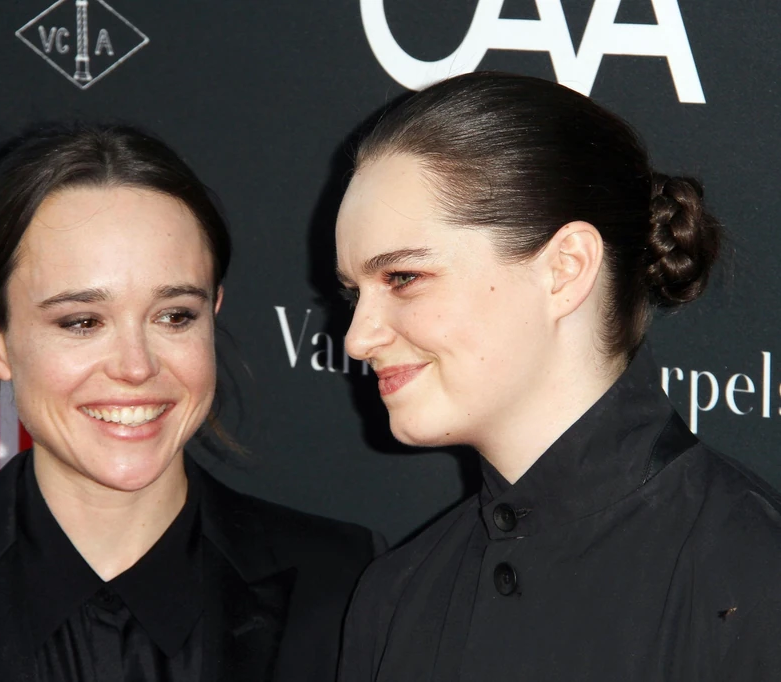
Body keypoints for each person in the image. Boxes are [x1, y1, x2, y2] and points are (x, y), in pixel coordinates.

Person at [0, 123, 379, 682]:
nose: (136, 366)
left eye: (174, 316)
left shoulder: (344, 585)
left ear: (212, 314)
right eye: (82, 322)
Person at [334, 72, 781, 681]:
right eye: (354, 292)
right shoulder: (395, 596)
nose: (358, 338)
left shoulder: (753, 582)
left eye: (403, 278)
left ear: (566, 269)